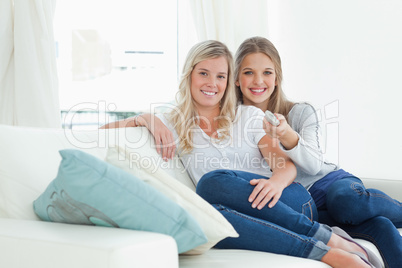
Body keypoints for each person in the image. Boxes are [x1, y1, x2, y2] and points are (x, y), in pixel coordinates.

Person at [101, 40, 376, 268]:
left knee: (210, 183)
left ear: (229, 81)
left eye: (221, 76)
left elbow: (286, 166)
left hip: (287, 201)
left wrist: (275, 182)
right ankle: (327, 249)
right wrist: (144, 118)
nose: (212, 83)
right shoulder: (173, 124)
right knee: (206, 218)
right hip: (237, 214)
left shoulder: (248, 116)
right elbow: (102, 131)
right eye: (204, 73)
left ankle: (326, 237)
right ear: (189, 75)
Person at [225, 36, 401, 267]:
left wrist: (287, 135)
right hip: (302, 204)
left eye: (267, 72)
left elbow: (314, 165)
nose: (258, 81)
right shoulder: (233, 121)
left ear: (277, 78)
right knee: (378, 225)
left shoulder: (300, 112)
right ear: (236, 78)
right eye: (249, 72)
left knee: (347, 202)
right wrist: (158, 121)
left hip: (329, 184)